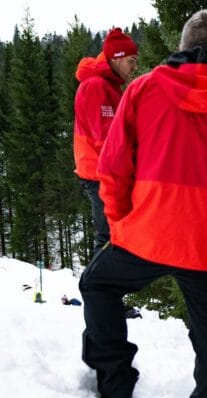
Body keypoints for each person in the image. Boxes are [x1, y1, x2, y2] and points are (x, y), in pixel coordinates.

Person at [78, 8, 207, 398]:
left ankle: (114, 385)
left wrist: (119, 225)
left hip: (146, 236)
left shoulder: (143, 89)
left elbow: (111, 170)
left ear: (183, 46)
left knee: (97, 285)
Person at [73, 27, 138, 251]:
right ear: (116, 58)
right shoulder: (96, 86)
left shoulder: (109, 85)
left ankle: (107, 285)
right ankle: (96, 286)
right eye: (131, 61)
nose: (134, 68)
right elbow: (106, 139)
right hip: (99, 173)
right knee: (108, 238)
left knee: (116, 235)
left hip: (105, 171)